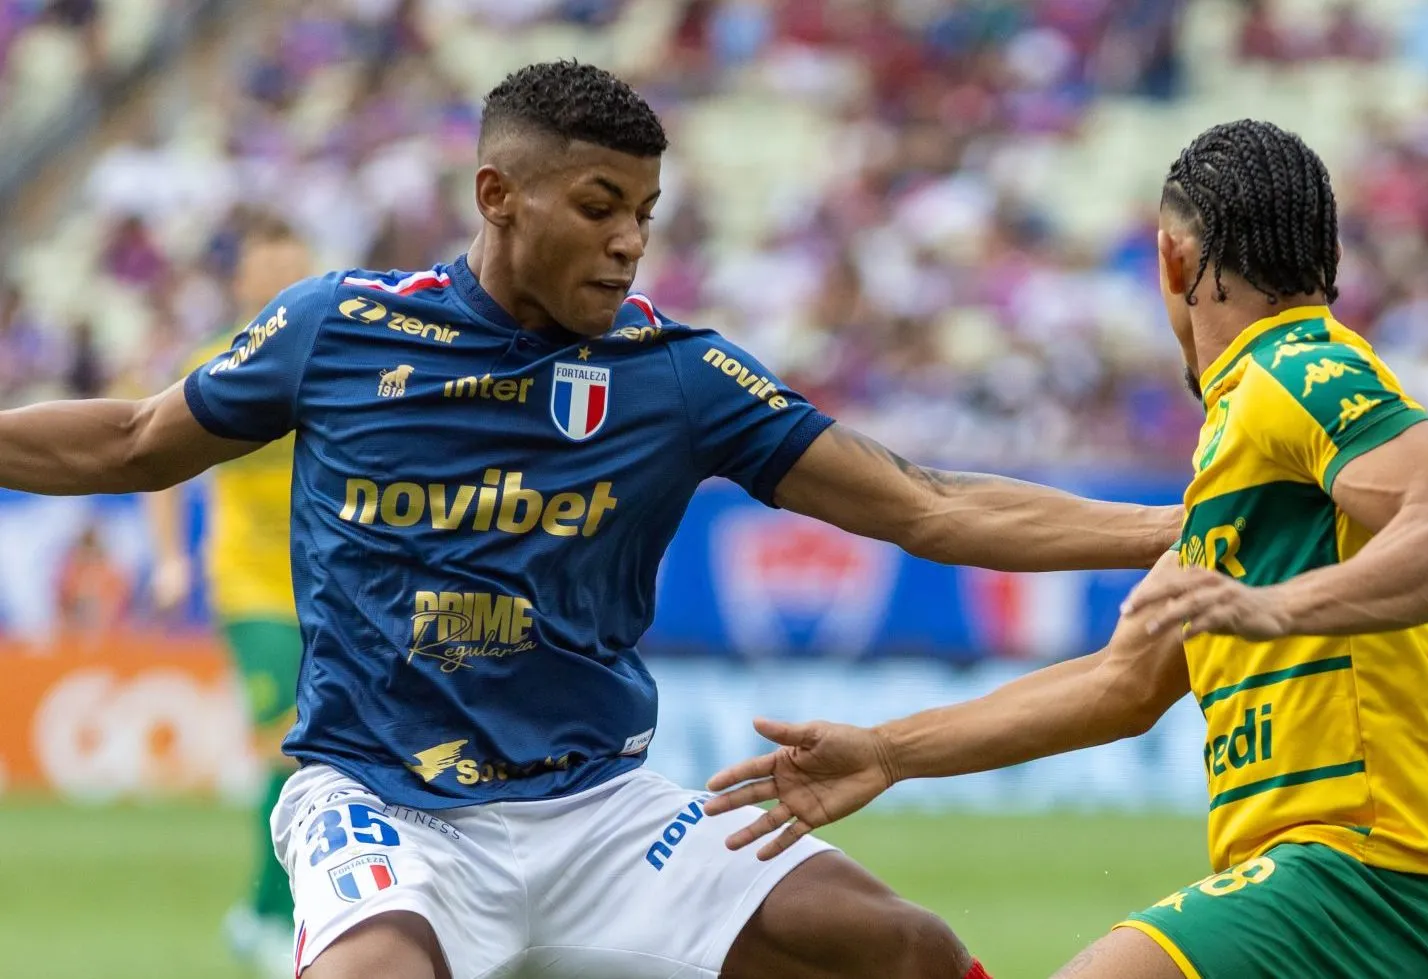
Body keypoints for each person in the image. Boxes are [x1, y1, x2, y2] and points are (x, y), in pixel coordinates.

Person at [0, 61, 1179, 979]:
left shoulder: (679, 375)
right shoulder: (339, 330)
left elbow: (930, 505)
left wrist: (1177, 527)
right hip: (382, 801)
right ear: (497, 196)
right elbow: (132, 441)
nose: (627, 239)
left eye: (648, 214)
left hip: (600, 808)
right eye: (601, 204)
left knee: (903, 947)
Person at [706, 120, 1428, 979]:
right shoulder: (1244, 440)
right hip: (1343, 884)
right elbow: (1120, 683)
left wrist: (1275, 607)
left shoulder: (1296, 367)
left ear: (1172, 260)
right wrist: (888, 750)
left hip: (1364, 877)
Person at [145, 212, 313, 976]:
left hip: (332, 588)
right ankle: (274, 916)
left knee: (325, 753)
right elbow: (152, 453)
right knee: (286, 740)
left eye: (294, 271)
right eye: (268, 272)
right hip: (249, 587)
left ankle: (259, 910)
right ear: (242, 282)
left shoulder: (337, 360)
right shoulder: (218, 363)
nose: (282, 285)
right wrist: (170, 556)